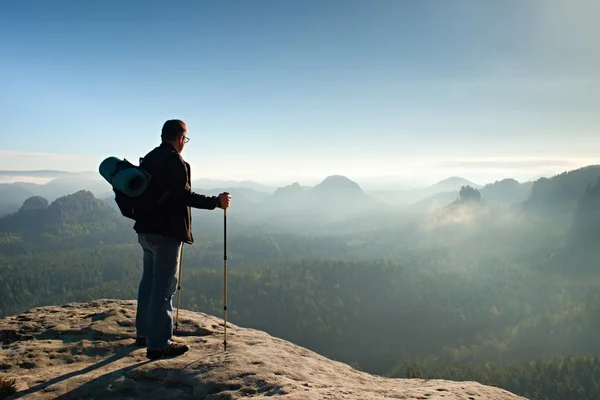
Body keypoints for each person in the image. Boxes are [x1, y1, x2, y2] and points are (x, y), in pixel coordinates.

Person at [132, 119, 231, 360]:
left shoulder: (150, 157)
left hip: (145, 229)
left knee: (149, 282)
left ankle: (144, 333)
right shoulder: (175, 160)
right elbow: (183, 196)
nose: (184, 144)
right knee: (164, 288)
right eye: (185, 139)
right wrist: (215, 202)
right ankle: (159, 344)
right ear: (179, 138)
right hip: (166, 233)